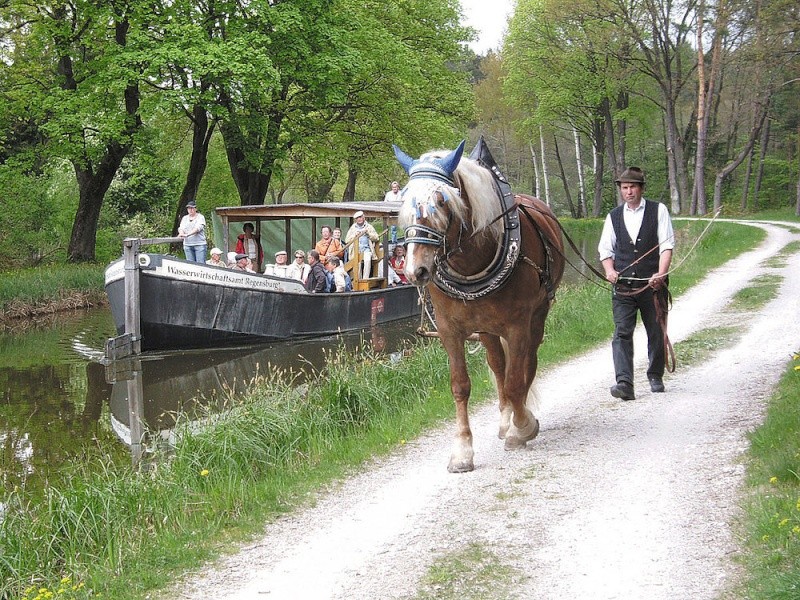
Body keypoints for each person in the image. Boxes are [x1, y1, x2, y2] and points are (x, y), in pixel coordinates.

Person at [598, 166, 675, 401]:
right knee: (622, 333)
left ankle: (655, 375)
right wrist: (609, 270)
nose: (628, 191)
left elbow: (666, 246)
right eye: (624, 188)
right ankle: (624, 383)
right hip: (623, 286)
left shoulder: (658, 210)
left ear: (640, 188)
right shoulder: (613, 216)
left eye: (632, 187)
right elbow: (605, 249)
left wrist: (660, 274)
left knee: (656, 330)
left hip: (652, 285)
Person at [345, 210, 379, 279]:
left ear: (364, 217)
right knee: (357, 264)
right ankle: (358, 280)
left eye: (360, 217)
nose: (359, 219)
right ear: (355, 220)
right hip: (356, 251)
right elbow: (347, 240)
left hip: (366, 250)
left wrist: (368, 233)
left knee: (367, 260)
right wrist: (354, 235)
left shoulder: (369, 227)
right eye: (357, 218)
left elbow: (376, 238)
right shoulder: (352, 228)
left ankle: (365, 279)